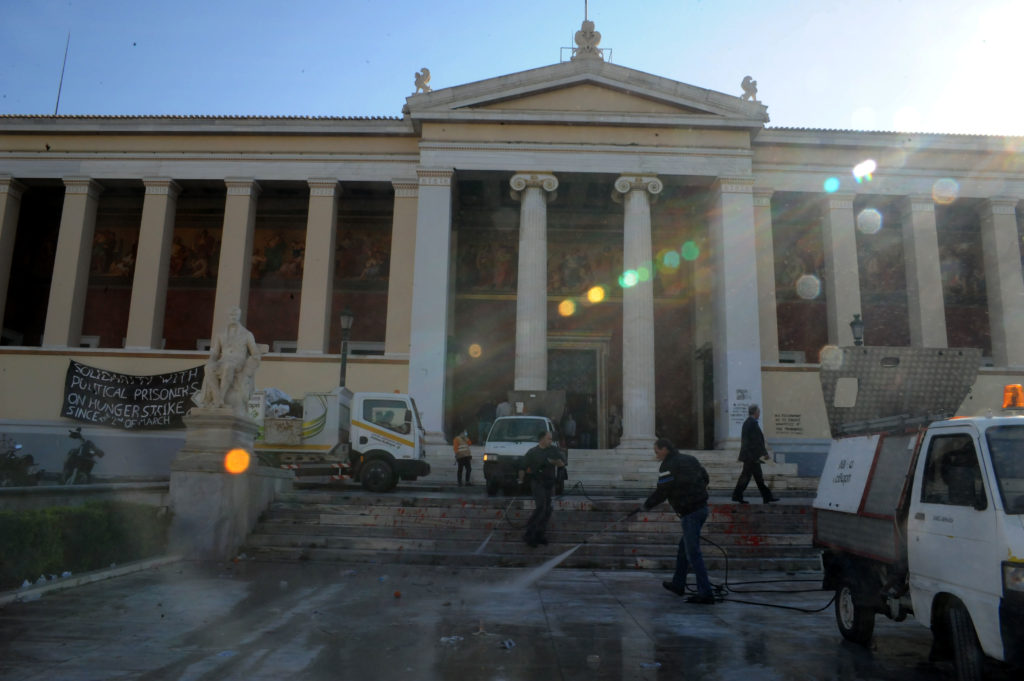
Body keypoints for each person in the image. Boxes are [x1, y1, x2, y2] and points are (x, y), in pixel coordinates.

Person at [636, 438, 715, 604]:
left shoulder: (667, 466)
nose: (656, 454)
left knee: (693, 553)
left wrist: (646, 505)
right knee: (683, 549)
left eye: (657, 451)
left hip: (690, 512)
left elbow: (662, 491)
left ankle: (706, 592)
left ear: (665, 449)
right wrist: (695, 491)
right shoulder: (690, 459)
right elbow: (705, 477)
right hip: (701, 508)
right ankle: (678, 584)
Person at [193, 306, 263, 417]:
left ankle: (220, 398)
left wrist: (252, 362)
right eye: (231, 315)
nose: (233, 317)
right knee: (208, 368)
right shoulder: (220, 335)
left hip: (238, 362)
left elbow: (254, 352)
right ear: (228, 316)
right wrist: (211, 361)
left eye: (235, 315)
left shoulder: (247, 334)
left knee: (228, 367)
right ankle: (218, 399)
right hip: (223, 360)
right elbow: (216, 353)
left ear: (239, 317)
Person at [518, 431, 565, 547]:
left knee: (548, 509)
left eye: (551, 439)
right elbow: (522, 467)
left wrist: (555, 462)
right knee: (541, 507)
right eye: (548, 439)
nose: (551, 441)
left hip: (549, 483)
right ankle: (529, 534)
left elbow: (562, 462)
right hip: (537, 483)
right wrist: (520, 480)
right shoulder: (533, 452)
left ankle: (540, 534)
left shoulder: (553, 450)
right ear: (542, 439)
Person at [732, 404, 780, 504]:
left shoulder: (748, 422)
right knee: (752, 477)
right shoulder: (752, 423)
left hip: (751, 456)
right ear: (755, 413)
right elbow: (756, 442)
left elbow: (752, 441)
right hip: (752, 457)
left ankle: (738, 495)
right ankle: (765, 497)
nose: (759, 414)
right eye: (758, 412)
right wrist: (764, 454)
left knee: (753, 477)